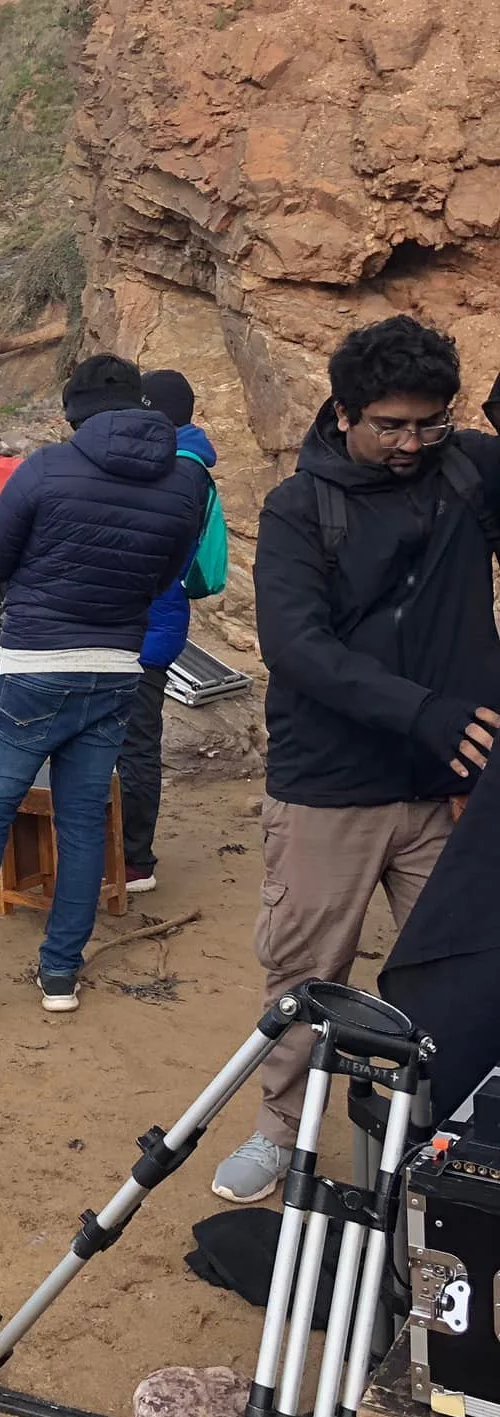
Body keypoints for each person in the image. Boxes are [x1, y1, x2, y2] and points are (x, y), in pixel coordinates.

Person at [212, 315, 500, 1203]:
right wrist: (427, 714)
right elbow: (297, 648)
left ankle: (435, 1143)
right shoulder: (300, 507)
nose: (411, 443)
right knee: (306, 973)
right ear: (343, 412)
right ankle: (278, 1130)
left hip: (445, 792)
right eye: (391, 425)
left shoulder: (470, 471)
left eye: (429, 423)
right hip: (329, 791)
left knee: (462, 968)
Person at [0, 353, 206, 1015]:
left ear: (73, 414)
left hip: (36, 665)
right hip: (118, 668)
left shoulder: (48, 468)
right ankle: (60, 972)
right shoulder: (187, 484)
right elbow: (164, 576)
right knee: (84, 822)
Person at [117, 369, 220, 893]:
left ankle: (135, 860)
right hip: (160, 616)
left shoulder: (171, 469)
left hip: (145, 622)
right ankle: (127, 852)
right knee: (132, 743)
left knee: (133, 746)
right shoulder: (194, 464)